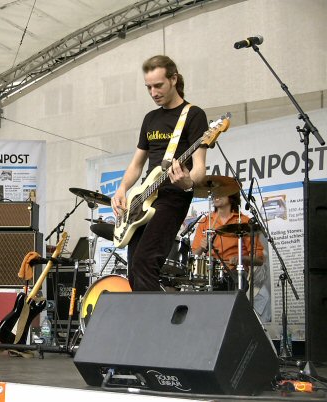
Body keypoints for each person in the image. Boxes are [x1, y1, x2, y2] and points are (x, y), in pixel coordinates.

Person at [111, 55, 209, 291]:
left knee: (145, 263)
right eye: (148, 87)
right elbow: (137, 164)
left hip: (173, 196)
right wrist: (122, 189)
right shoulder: (150, 119)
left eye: (158, 85)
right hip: (144, 198)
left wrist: (187, 182)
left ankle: (157, 315)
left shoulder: (193, 115)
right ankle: (150, 312)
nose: (153, 93)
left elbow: (200, 170)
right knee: (134, 269)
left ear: (173, 79)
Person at [191, 194, 265, 290]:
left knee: (235, 280)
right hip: (210, 273)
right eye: (214, 193)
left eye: (221, 192)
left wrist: (241, 259)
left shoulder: (244, 222)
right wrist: (201, 247)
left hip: (235, 273)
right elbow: (194, 255)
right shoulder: (205, 222)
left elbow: (259, 260)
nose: (216, 195)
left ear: (231, 195)